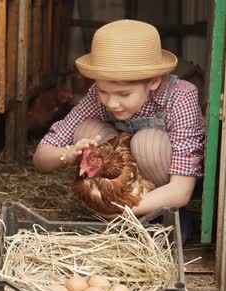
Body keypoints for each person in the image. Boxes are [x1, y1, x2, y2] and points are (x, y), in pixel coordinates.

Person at [33, 19, 204, 218]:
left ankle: (163, 217)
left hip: (164, 193)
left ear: (154, 81)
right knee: (87, 130)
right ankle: (104, 200)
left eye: (124, 94)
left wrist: (120, 211)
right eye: (103, 91)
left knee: (147, 143)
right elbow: (40, 158)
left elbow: (180, 191)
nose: (112, 103)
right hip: (116, 194)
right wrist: (67, 154)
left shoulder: (180, 98)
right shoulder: (96, 97)